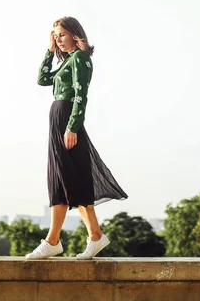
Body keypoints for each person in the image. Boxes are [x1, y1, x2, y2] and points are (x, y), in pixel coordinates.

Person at [26, 16, 127, 260]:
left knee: (70, 178)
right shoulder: (67, 61)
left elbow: (81, 95)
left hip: (67, 121)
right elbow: (42, 79)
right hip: (58, 120)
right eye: (55, 35)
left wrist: (72, 127)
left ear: (73, 34)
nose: (57, 39)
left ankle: (72, 238)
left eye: (61, 34)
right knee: (62, 179)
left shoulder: (80, 59)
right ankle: (72, 238)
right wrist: (49, 52)